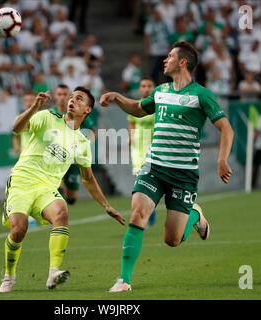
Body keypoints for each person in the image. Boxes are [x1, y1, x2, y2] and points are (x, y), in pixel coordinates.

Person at [100, 41, 234, 292]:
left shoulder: (201, 94)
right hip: (154, 166)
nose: (165, 60)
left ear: (183, 62)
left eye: (170, 56)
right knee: (138, 212)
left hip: (183, 174)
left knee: (172, 239)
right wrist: (118, 97)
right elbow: (139, 110)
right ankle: (124, 280)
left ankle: (195, 215)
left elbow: (226, 128)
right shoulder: (160, 90)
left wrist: (221, 159)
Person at [0, 87, 125, 292]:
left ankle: (53, 273)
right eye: (72, 97)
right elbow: (16, 128)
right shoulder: (47, 117)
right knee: (19, 230)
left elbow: (88, 179)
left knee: (61, 212)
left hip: (47, 188)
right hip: (22, 182)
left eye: (79, 98)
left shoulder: (82, 142)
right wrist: (33, 107)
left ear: (88, 110)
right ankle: (9, 276)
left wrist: (106, 206)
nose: (72, 100)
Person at [50, 84, 97, 205]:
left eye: (65, 94)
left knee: (71, 199)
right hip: (54, 157)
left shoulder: (77, 113)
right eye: (59, 94)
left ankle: (63, 199)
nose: (62, 97)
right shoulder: (49, 114)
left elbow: (93, 132)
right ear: (55, 96)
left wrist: (85, 143)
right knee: (57, 191)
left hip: (72, 159)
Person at [128, 78, 157, 227]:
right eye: (143, 86)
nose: (146, 88)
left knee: (151, 182)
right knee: (140, 182)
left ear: (154, 88)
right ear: (139, 89)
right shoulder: (135, 106)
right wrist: (130, 137)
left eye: (149, 85)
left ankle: (149, 212)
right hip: (138, 149)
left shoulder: (158, 106)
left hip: (154, 148)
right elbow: (132, 124)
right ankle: (143, 215)